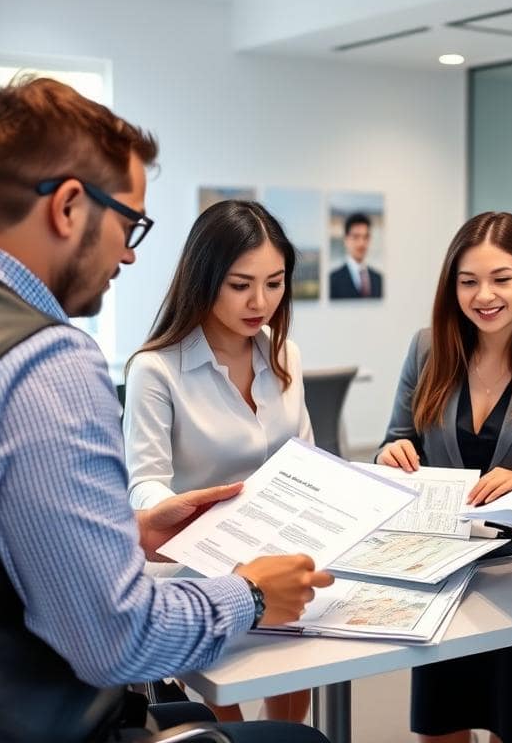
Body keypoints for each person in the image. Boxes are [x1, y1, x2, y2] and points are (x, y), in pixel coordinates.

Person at [0, 76, 333, 743]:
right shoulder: (44, 366)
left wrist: (125, 531)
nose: (129, 252)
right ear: (69, 207)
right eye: (129, 224)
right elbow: (119, 641)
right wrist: (247, 594)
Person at [377, 211, 512, 743]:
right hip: (438, 566)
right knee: (439, 727)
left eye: (501, 278)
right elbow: (393, 438)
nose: (484, 296)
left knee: (510, 726)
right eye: (468, 281)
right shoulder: (428, 348)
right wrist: (392, 452)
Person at [124, 199, 315, 724]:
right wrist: (184, 515)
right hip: (198, 566)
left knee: (294, 692)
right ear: (204, 278)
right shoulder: (155, 370)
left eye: (274, 283)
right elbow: (143, 483)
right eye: (240, 285)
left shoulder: (284, 354)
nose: (260, 301)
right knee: (224, 717)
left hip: (281, 550)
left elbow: (305, 457)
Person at [328, 212, 383, 298]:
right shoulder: (332, 280)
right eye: (356, 237)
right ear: (346, 240)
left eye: (365, 237)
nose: (361, 243)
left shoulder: (379, 279)